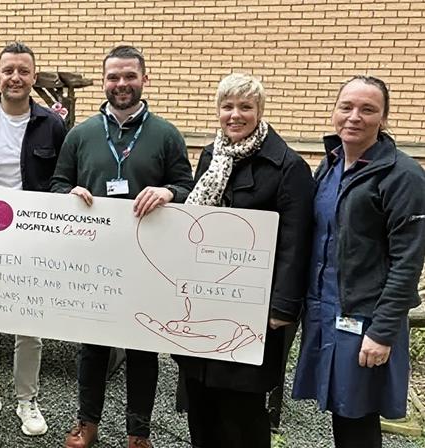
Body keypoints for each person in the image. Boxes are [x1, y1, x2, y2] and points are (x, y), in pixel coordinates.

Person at [52, 44, 194, 448]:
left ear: (144, 79)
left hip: (147, 262)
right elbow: (58, 184)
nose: (121, 84)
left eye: (130, 76)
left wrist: (168, 192)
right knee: (92, 347)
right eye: (113, 76)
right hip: (93, 260)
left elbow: (187, 188)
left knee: (143, 350)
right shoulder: (80, 134)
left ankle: (138, 433)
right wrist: (69, 194)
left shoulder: (166, 134)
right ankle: (87, 423)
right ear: (104, 81)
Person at [176, 73, 315, 447]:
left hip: (254, 309)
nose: (235, 115)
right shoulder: (212, 157)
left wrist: (282, 308)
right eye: (227, 106)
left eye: (245, 107)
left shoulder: (289, 167)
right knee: (200, 399)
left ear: (260, 111)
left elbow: (295, 244)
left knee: (241, 408)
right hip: (204, 302)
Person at [292, 75, 425, 448]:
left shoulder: (403, 176)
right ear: (334, 111)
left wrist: (382, 331)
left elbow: (408, 260)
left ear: (383, 118)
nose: (354, 117)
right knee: (341, 409)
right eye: (346, 107)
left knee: (358, 416)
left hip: (366, 317)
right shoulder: (329, 166)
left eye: (368, 109)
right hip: (325, 311)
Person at [0, 41, 67, 436]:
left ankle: (27, 399)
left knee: (28, 322)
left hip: (33, 236)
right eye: (8, 70)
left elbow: (60, 178)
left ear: (34, 77)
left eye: (23, 71)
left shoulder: (51, 125)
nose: (15, 78)